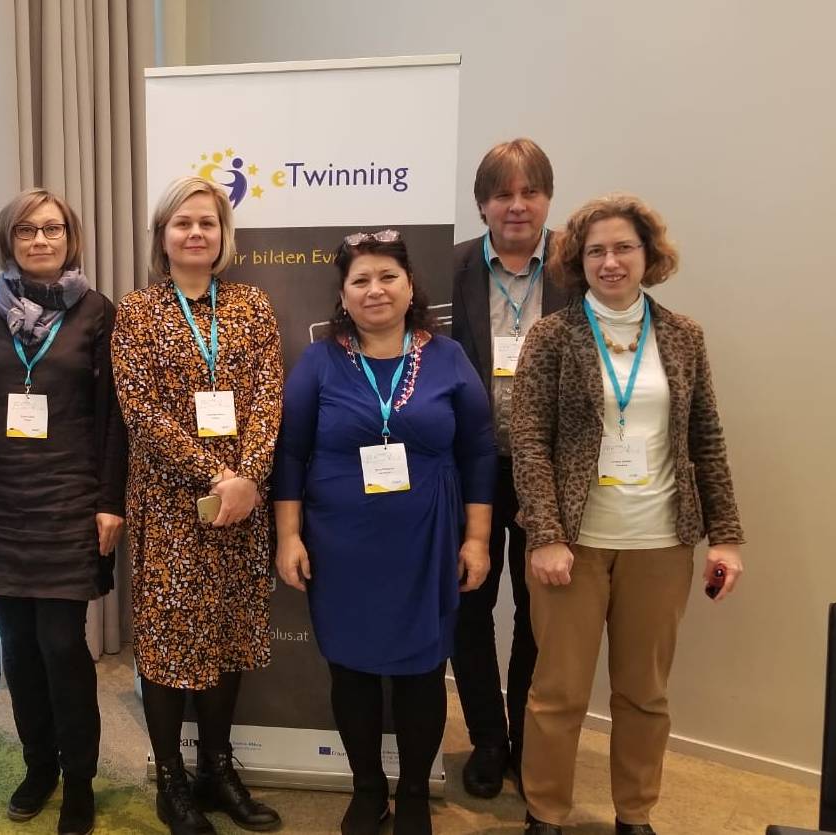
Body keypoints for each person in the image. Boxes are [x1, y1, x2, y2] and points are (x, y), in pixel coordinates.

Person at [511, 194, 745, 835]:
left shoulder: (682, 335)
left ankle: (634, 814)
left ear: (648, 255)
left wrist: (725, 536)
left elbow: (706, 438)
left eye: (623, 248)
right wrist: (546, 535)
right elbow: (529, 441)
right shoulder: (553, 335)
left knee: (645, 693)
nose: (610, 262)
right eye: (596, 251)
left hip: (661, 541)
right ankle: (545, 812)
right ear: (578, 260)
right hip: (573, 545)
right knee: (558, 692)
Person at [274, 230, 497, 835]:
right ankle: (368, 790)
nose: (375, 290)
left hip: (428, 540)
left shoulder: (448, 357)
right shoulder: (320, 361)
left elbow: (479, 452)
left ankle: (415, 793)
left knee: (423, 671)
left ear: (410, 285)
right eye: (361, 280)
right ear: (343, 294)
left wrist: (477, 540)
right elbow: (289, 453)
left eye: (387, 277)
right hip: (340, 544)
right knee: (351, 671)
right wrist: (289, 536)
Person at [111, 176, 284, 835]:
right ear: (162, 235)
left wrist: (247, 478)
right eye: (182, 222)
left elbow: (269, 398)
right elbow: (142, 413)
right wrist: (216, 473)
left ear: (223, 235)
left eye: (207, 223)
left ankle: (217, 768)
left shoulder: (251, 305)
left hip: (240, 505)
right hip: (169, 503)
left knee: (228, 633)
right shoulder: (136, 311)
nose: (195, 233)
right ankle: (171, 780)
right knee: (167, 640)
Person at [0, 188, 126, 835]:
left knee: (61, 644)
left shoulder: (96, 311)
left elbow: (113, 418)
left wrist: (110, 501)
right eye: (26, 230)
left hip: (69, 500)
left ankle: (80, 777)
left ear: (69, 237)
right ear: (9, 239)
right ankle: (39, 766)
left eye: (52, 228)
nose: (40, 240)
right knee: (19, 647)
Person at [450, 138, 564, 798]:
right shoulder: (452, 265)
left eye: (530, 192)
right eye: (503, 194)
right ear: (482, 204)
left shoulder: (578, 267)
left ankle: (526, 735)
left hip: (547, 467)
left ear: (547, 198)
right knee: (469, 603)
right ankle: (488, 738)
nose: (517, 206)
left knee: (538, 610)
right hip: (470, 464)